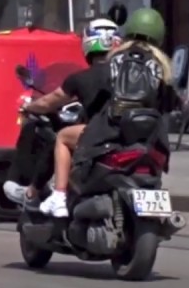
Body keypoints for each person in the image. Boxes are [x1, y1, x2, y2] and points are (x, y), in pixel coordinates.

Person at [39, 8, 179, 217]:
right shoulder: (162, 67)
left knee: (62, 137)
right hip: (151, 140)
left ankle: (59, 196)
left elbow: (100, 88)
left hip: (113, 133)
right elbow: (172, 104)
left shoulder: (115, 60)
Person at [6, 19, 121, 206]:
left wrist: (28, 107)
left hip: (102, 135)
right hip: (134, 136)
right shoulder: (129, 75)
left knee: (61, 138)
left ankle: (44, 194)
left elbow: (47, 102)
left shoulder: (81, 79)